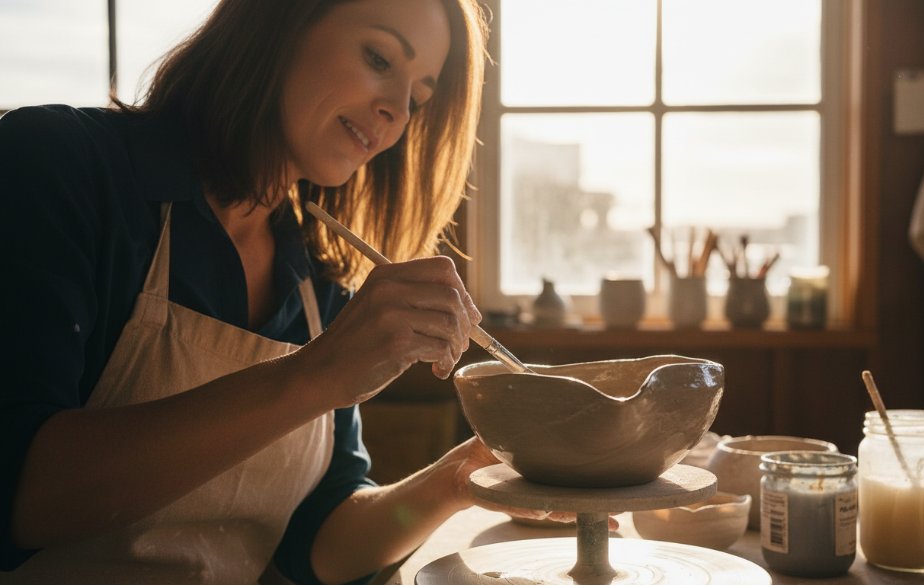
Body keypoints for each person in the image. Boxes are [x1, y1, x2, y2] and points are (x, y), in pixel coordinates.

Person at [0, 0, 566, 583]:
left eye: (417, 98)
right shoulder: (55, 164)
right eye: (379, 57)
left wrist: (461, 478)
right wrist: (313, 376)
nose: (396, 112)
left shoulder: (318, 279)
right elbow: (21, 499)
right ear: (279, 20)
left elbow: (317, 543)